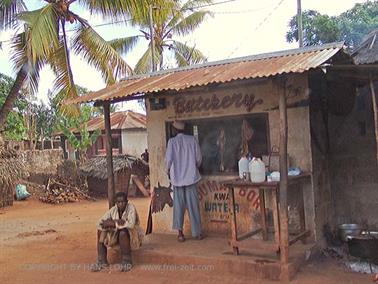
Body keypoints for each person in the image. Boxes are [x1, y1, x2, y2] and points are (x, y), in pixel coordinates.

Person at [165, 120, 203, 242]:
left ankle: (180, 234)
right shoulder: (192, 140)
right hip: (191, 178)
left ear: (175, 130)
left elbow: (168, 161)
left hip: (177, 180)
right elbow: (198, 159)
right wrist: (194, 167)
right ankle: (197, 233)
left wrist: (168, 172)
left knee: (178, 207)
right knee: (193, 206)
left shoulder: (172, 142)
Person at [91, 192, 143, 272]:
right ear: (116, 203)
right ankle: (102, 261)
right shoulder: (113, 210)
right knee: (100, 231)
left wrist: (114, 223)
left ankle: (127, 261)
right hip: (117, 235)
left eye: (123, 202)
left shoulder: (131, 208)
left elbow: (131, 224)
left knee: (123, 232)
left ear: (127, 202)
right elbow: (100, 222)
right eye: (118, 202)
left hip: (133, 236)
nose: (121, 204)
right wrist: (112, 223)